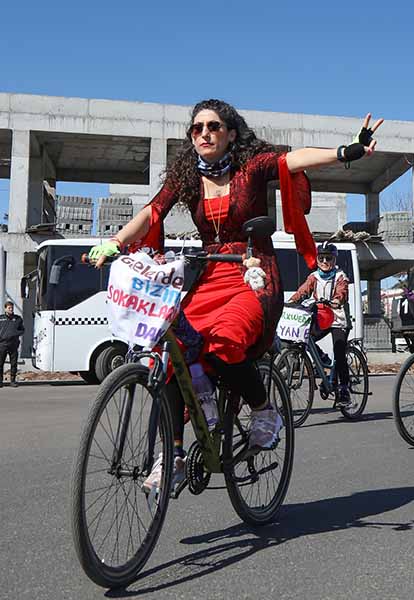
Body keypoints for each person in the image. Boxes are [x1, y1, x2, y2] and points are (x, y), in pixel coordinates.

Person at [88, 99, 383, 493]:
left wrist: (347, 151)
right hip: (207, 275)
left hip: (253, 273)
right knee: (172, 348)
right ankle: (172, 456)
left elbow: (296, 161)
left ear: (230, 132)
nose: (204, 133)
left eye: (213, 126)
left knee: (224, 343)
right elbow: (153, 211)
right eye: (197, 128)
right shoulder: (186, 177)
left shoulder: (253, 165)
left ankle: (264, 411)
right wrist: (116, 241)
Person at [288, 241, 351, 406]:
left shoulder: (340, 276)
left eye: (328, 258)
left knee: (339, 353)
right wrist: (291, 301)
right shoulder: (314, 277)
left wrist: (337, 300)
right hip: (322, 317)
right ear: (317, 260)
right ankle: (323, 360)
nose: (324, 262)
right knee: (304, 338)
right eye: (321, 258)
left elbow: (342, 292)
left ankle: (344, 389)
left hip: (338, 319)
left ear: (334, 260)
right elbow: (303, 291)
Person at [0, 301, 24, 388]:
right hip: (2, 345)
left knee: (13, 364)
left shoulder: (18, 319)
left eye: (12, 308)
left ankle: (13, 381)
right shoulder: (1, 318)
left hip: (13, 345)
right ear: (5, 308)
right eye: (9, 308)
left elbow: (22, 330)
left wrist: (15, 333)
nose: (11, 309)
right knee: (0, 363)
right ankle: (0, 381)